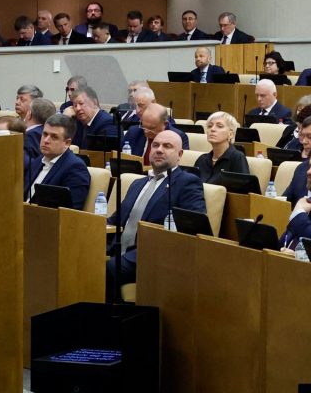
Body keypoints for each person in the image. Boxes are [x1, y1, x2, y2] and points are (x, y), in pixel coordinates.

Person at [107, 130, 205, 286]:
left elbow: (193, 228)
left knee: (112, 267)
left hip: (153, 253)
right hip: (116, 248)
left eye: (167, 146)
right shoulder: (137, 183)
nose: (159, 149)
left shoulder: (187, 182)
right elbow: (114, 220)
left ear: (179, 154)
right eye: (155, 145)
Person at [192, 111, 250, 182]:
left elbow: (242, 190)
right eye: (210, 126)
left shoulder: (237, 158)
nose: (212, 129)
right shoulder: (201, 160)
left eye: (219, 126)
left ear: (230, 134)